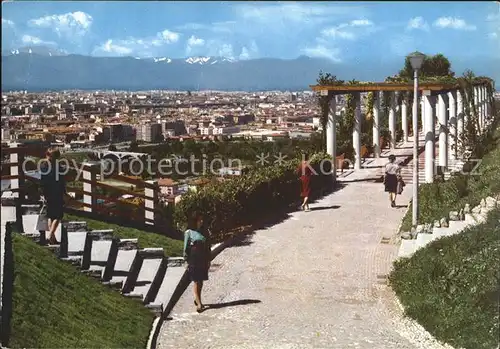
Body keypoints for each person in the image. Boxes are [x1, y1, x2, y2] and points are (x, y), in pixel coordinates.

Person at [183, 212, 211, 313]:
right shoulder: (189, 233)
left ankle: (197, 299)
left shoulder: (205, 232)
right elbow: (186, 248)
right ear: (195, 221)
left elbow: (208, 247)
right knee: (196, 281)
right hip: (193, 260)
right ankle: (199, 303)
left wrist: (208, 260)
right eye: (199, 220)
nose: (201, 221)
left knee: (201, 281)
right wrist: (186, 261)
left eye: (202, 219)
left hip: (203, 259)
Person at [40, 148, 66, 245]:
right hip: (57, 192)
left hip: (48, 193)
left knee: (51, 215)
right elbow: (62, 181)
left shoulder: (43, 166)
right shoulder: (59, 167)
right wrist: (64, 192)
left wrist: (42, 193)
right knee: (58, 215)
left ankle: (53, 239)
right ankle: (50, 234)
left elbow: (42, 181)